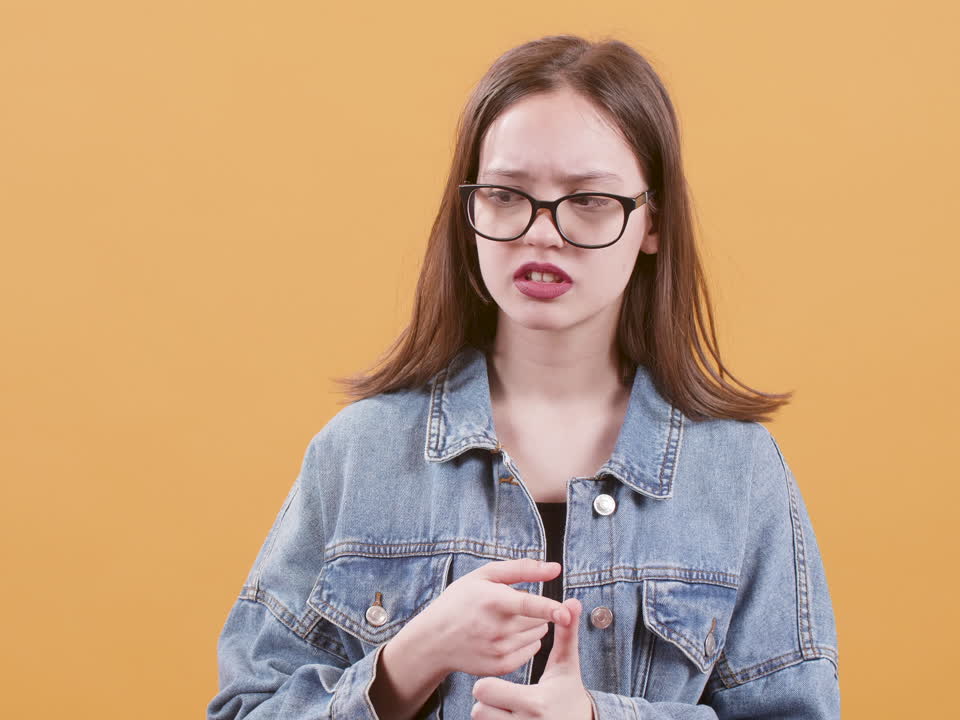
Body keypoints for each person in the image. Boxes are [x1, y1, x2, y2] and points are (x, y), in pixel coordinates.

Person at [208, 34, 839, 719]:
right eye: (507, 195)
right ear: (470, 210)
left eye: (589, 199)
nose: (542, 233)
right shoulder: (359, 452)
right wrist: (410, 658)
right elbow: (246, 707)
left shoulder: (738, 470)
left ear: (652, 221)